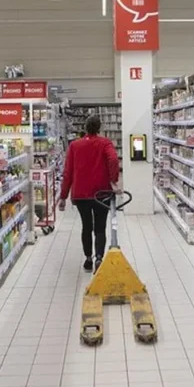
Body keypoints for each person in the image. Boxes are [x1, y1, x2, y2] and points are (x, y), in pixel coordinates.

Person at [58, 115, 120, 271]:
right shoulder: (105, 143)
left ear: (85, 128)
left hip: (81, 194)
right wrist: (113, 180)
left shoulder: (74, 146)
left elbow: (68, 172)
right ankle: (99, 257)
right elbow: (113, 159)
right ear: (100, 128)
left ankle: (88, 259)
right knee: (100, 227)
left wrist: (63, 196)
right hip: (102, 192)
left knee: (86, 226)